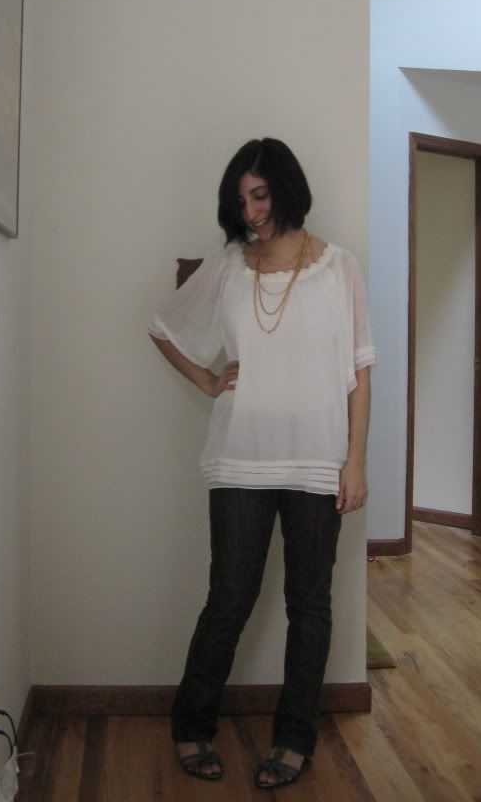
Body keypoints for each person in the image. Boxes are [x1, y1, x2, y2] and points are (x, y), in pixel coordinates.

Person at [148, 137, 375, 790]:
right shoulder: (229, 264)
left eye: (260, 195)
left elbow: (360, 370)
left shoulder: (339, 267)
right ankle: (191, 723)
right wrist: (208, 380)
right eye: (240, 200)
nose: (250, 211)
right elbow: (163, 326)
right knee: (229, 599)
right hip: (240, 458)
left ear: (287, 189)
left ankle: (294, 739)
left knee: (310, 604)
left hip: (318, 460)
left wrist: (355, 462)